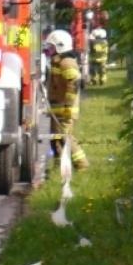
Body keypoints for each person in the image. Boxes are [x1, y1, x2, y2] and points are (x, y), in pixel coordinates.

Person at [44, 29, 89, 171]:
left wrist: (68, 106)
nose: (49, 50)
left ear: (60, 46)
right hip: (58, 108)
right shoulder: (57, 62)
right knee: (56, 139)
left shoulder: (67, 63)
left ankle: (82, 164)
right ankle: (59, 167)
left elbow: (74, 83)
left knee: (65, 137)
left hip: (66, 109)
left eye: (51, 47)